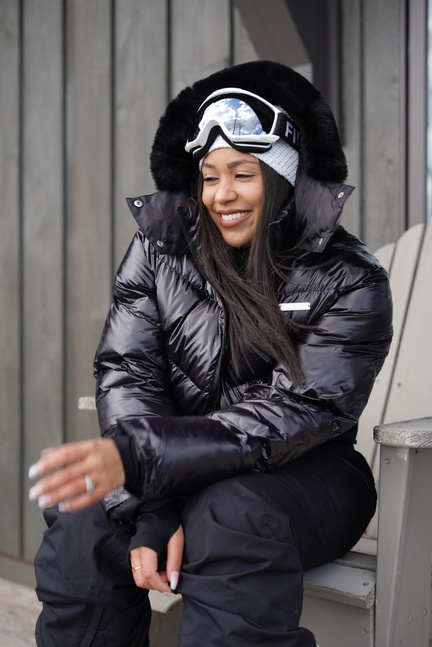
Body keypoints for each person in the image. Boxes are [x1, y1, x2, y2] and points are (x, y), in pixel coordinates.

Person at [29, 60, 392, 647]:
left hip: (304, 476)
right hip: (169, 468)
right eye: (209, 176)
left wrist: (146, 461)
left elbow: (299, 412)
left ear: (285, 176)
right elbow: (130, 373)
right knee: (88, 517)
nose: (222, 195)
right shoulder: (160, 249)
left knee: (229, 513)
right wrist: (152, 505)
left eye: (243, 174)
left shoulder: (350, 278)